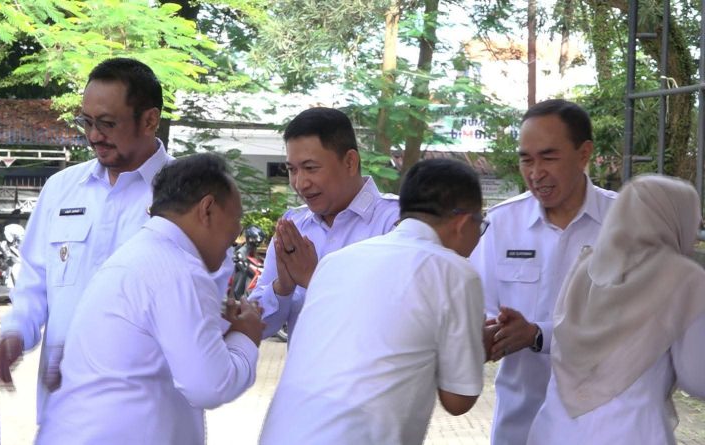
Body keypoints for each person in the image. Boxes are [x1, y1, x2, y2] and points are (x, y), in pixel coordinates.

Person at [35, 154, 264, 445]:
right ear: (207, 209)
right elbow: (210, 386)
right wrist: (246, 337)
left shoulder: (143, 254)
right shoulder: (180, 270)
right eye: (236, 219)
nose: (236, 234)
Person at [0, 57, 176, 420]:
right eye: (87, 122)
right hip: (64, 408)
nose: (93, 136)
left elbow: (201, 304)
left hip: (145, 413)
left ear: (149, 120)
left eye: (107, 123)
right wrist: (16, 333)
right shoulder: (62, 188)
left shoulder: (189, 195)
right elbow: (35, 283)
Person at [260, 158, 487, 444]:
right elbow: (458, 399)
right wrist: (474, 348)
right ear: (463, 222)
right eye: (481, 224)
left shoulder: (335, 261)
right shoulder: (456, 273)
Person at [470, 99, 617, 445]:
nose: (536, 173)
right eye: (526, 159)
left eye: (548, 157)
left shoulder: (625, 221)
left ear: (584, 154)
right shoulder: (502, 223)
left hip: (604, 425)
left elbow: (633, 323)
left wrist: (539, 335)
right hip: (522, 423)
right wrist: (486, 334)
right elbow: (478, 306)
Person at [526, 175, 705, 444]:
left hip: (554, 429)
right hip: (632, 431)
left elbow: (565, 336)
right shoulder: (684, 278)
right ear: (677, 219)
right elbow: (697, 378)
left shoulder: (585, 267)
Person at [248, 107, 399, 340]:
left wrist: (313, 279)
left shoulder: (396, 224)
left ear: (350, 162)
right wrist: (282, 288)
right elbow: (257, 328)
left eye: (310, 168)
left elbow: (398, 318)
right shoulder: (293, 226)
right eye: (292, 170)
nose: (300, 183)